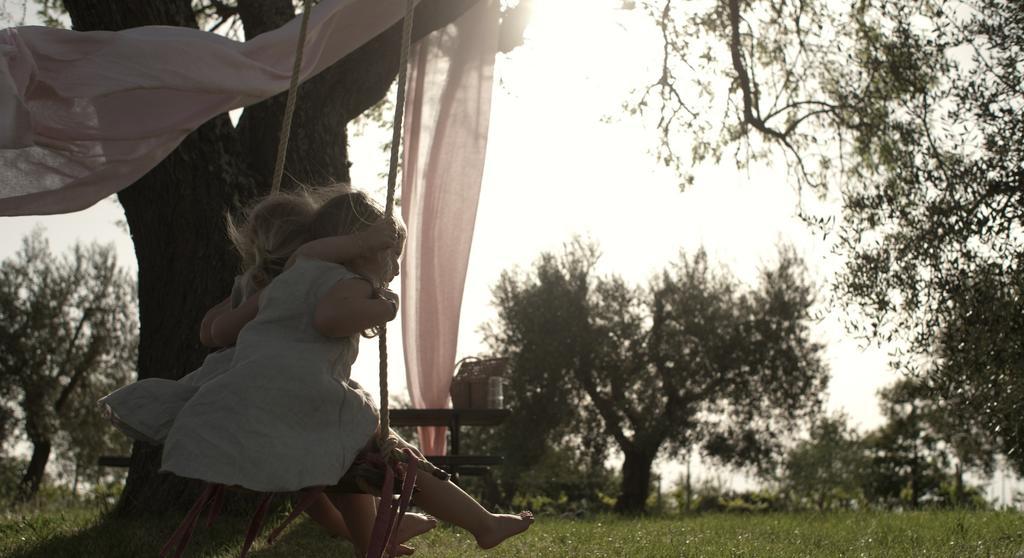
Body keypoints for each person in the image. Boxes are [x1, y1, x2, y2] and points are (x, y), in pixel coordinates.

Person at [162, 188, 532, 555]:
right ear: (364, 247)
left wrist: (244, 295)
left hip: (266, 405)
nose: (397, 268)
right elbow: (329, 320)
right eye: (393, 254)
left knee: (347, 467)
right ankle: (478, 523)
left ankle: (377, 538)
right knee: (392, 456)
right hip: (303, 398)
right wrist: (383, 309)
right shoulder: (344, 283)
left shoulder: (292, 279)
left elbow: (212, 332)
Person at [100, 187, 433, 554]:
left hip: (257, 384)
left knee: (313, 481)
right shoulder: (284, 289)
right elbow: (219, 333)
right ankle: (372, 536)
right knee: (339, 455)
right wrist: (248, 303)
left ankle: (370, 535)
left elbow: (210, 331)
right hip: (264, 387)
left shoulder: (267, 286)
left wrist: (234, 302)